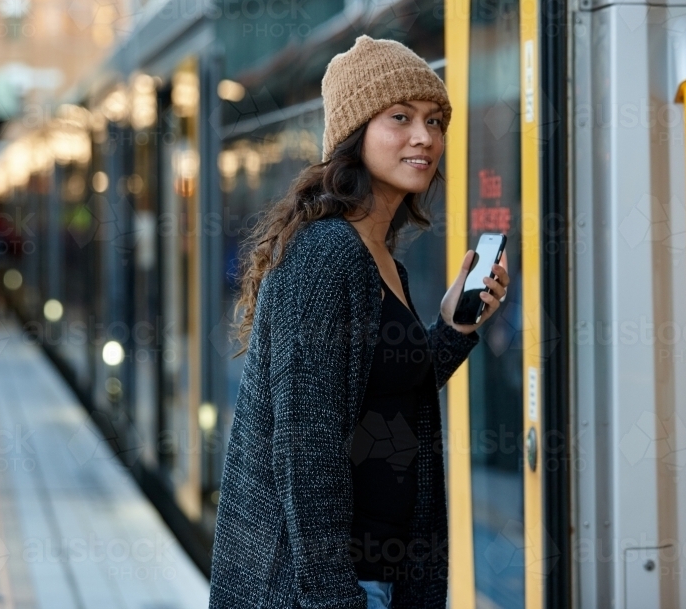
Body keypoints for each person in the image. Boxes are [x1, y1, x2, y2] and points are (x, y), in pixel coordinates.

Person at [208, 35, 511, 609]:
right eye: (400, 117)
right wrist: (333, 600)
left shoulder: (380, 259)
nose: (426, 137)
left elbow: (382, 399)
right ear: (354, 133)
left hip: (381, 575)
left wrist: (453, 331)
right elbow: (306, 449)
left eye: (435, 120)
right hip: (325, 589)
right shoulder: (326, 255)